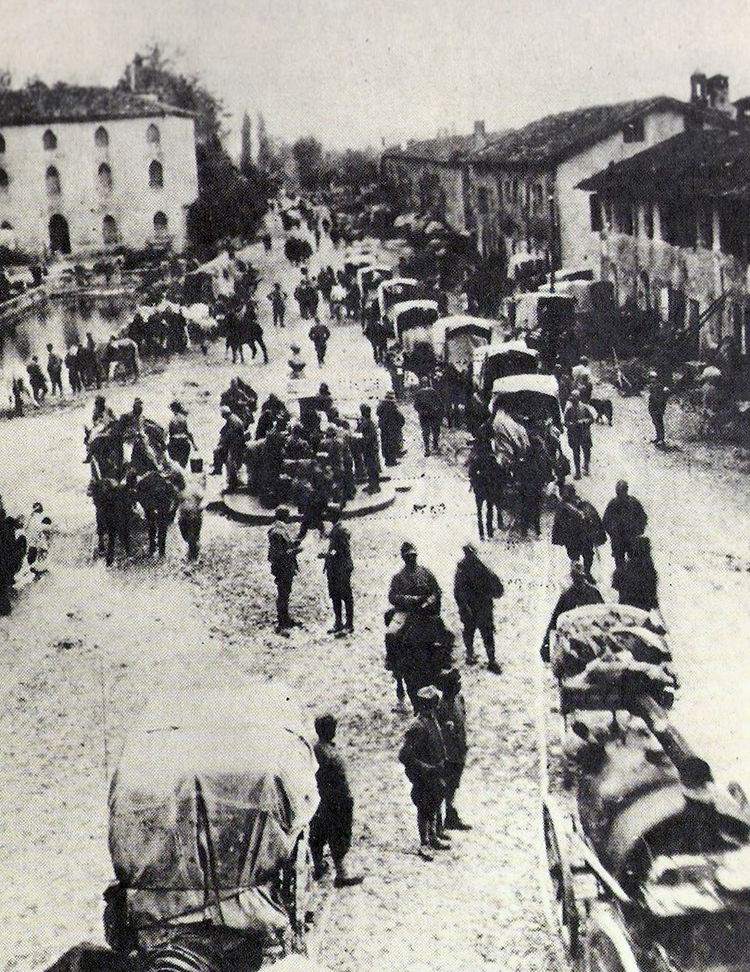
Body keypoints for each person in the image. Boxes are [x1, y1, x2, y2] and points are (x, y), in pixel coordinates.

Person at [387, 542, 449, 711]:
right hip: (406, 613)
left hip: (426, 612)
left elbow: (437, 591)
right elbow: (392, 597)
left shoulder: (426, 573)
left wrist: (429, 601)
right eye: (408, 557)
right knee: (391, 634)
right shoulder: (398, 577)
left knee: (445, 632)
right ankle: (392, 661)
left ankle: (445, 661)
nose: (411, 559)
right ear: (404, 558)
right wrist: (409, 599)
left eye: (413, 556)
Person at [310, 714, 364, 887]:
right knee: (337, 833)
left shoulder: (320, 748)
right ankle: (341, 873)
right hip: (334, 799)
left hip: (327, 798)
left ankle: (319, 866)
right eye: (331, 727)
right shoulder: (324, 752)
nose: (334, 730)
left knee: (320, 833)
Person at [399, 685, 449, 861]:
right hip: (424, 775)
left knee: (434, 803)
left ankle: (433, 835)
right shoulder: (417, 726)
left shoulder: (432, 719)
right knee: (424, 807)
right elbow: (404, 754)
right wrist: (424, 768)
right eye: (434, 702)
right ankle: (424, 842)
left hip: (435, 772)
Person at [453, 542, 504, 672]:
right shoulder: (472, 567)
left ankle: (487, 658)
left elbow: (495, 585)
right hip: (476, 607)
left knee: (481, 632)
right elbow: (458, 591)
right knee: (476, 632)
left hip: (479, 606)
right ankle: (477, 655)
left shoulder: (474, 567)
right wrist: (463, 605)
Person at [540, 562, 604, 661]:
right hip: (574, 637)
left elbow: (604, 614)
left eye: (581, 578)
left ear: (584, 577)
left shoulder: (594, 593)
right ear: (573, 578)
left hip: (592, 633)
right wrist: (546, 646)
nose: (579, 581)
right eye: (576, 578)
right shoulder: (567, 595)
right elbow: (555, 620)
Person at [436, 668, 471, 830]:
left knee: (453, 785)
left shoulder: (459, 699)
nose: (459, 685)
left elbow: (462, 721)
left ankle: (450, 815)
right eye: (456, 683)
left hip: (459, 750)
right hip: (447, 754)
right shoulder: (441, 707)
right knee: (445, 787)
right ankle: (442, 819)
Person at [320, 505, 354, 635]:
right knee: (335, 595)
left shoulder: (341, 530)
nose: (327, 516)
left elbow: (343, 550)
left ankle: (349, 624)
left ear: (334, 515)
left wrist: (327, 555)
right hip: (334, 568)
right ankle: (338, 622)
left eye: (329, 514)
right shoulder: (336, 529)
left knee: (346, 596)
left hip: (342, 568)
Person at [267, 506, 302, 633]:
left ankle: (285, 617)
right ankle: (283, 620)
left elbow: (284, 545)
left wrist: (294, 543)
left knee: (285, 592)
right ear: (285, 517)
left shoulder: (279, 529)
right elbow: (279, 554)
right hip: (283, 567)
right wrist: (294, 551)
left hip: (284, 567)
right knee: (283, 593)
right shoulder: (277, 532)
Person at [602, 480, 648, 568]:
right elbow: (606, 521)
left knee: (633, 562)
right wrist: (613, 533)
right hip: (618, 539)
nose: (621, 494)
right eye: (619, 491)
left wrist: (638, 530)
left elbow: (643, 517)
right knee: (620, 564)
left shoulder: (633, 503)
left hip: (631, 538)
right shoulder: (613, 504)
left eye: (622, 491)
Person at [612, 535, 659, 611]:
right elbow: (652, 588)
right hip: (643, 608)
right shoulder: (649, 569)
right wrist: (653, 602)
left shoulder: (623, 568)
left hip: (626, 607)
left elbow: (615, 585)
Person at [176, 458, 205, 560]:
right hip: (183, 516)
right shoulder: (177, 491)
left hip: (194, 515)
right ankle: (192, 549)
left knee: (193, 535)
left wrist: (200, 507)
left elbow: (203, 498)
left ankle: (193, 555)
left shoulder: (193, 487)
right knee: (185, 535)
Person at [563, 390, 596, 479]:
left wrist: (583, 422)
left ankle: (586, 466)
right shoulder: (569, 410)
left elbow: (592, 419)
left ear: (578, 398)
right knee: (576, 453)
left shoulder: (584, 408)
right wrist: (571, 424)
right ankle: (578, 471)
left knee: (587, 451)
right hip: (574, 434)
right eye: (572, 398)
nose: (573, 400)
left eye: (575, 398)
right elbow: (565, 422)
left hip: (584, 433)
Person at [414, 377, 443, 457]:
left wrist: (421, 411)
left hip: (424, 416)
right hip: (433, 415)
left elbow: (416, 405)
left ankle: (427, 449)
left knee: (425, 432)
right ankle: (435, 445)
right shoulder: (433, 392)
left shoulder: (419, 393)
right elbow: (440, 404)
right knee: (435, 430)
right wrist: (436, 410)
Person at [376, 392, 405, 466]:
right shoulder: (393, 406)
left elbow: (378, 413)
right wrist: (399, 426)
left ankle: (387, 460)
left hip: (384, 428)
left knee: (385, 444)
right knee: (393, 444)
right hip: (392, 429)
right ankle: (392, 461)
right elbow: (400, 418)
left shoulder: (381, 405)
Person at [357, 404, 381, 494]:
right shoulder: (368, 421)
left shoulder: (368, 423)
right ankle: (372, 484)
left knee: (372, 467)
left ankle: (375, 486)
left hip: (370, 448)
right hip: (370, 448)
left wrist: (361, 440)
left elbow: (369, 437)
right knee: (369, 467)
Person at [167, 401, 197, 468]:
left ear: (173, 409)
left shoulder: (172, 420)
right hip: (184, 443)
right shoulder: (184, 419)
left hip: (174, 443)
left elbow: (169, 433)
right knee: (183, 465)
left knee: (176, 465)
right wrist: (194, 445)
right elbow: (189, 433)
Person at [648, 372, 670, 447]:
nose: (652, 379)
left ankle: (661, 438)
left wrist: (662, 406)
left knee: (659, 422)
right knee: (655, 422)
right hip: (653, 406)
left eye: (653, 377)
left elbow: (663, 397)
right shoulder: (651, 386)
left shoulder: (660, 386)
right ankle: (658, 437)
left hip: (658, 406)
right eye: (651, 377)